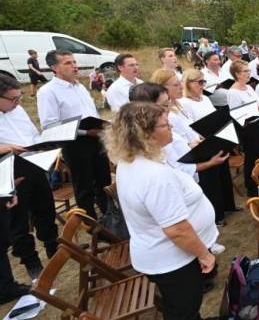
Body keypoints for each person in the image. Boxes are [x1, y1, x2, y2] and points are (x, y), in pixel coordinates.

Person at [105, 101, 227, 320]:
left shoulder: (134, 162)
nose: (170, 126)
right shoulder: (152, 175)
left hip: (162, 254)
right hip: (171, 257)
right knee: (181, 310)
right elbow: (177, 229)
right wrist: (204, 255)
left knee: (184, 305)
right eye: (164, 124)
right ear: (145, 133)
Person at [128, 82, 228, 260]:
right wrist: (209, 163)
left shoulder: (164, 125)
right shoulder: (157, 137)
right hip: (175, 252)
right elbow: (178, 168)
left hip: (190, 176)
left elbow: (181, 147)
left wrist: (193, 145)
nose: (169, 108)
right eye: (164, 104)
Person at [37, 50, 111, 220]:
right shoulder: (48, 92)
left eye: (74, 62)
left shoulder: (80, 86)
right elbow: (49, 125)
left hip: (96, 139)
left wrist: (100, 126)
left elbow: (90, 112)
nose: (74, 66)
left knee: (103, 181)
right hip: (75, 143)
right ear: (54, 68)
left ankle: (110, 219)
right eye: (68, 63)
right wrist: (85, 131)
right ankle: (91, 226)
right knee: (84, 187)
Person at [0, 74, 58, 280]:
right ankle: (31, 261)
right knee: (18, 220)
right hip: (9, 170)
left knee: (45, 208)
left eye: (19, 97)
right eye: (13, 99)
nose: (17, 103)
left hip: (33, 162)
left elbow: (32, 134)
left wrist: (45, 143)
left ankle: (53, 247)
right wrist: (6, 147)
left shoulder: (18, 110)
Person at [178, 69, 238, 225]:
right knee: (211, 182)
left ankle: (228, 206)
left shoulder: (205, 98)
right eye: (199, 82)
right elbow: (190, 127)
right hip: (204, 144)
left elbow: (214, 116)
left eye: (204, 82)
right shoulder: (184, 103)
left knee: (224, 175)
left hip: (217, 138)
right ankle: (217, 215)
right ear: (188, 84)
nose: (202, 85)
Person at [227, 60, 259, 197]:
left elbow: (257, 103)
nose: (249, 73)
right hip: (247, 129)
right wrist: (257, 108)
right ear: (237, 74)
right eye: (245, 71)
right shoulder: (233, 92)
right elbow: (237, 115)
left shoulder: (249, 87)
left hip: (258, 123)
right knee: (251, 158)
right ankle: (252, 188)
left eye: (249, 71)